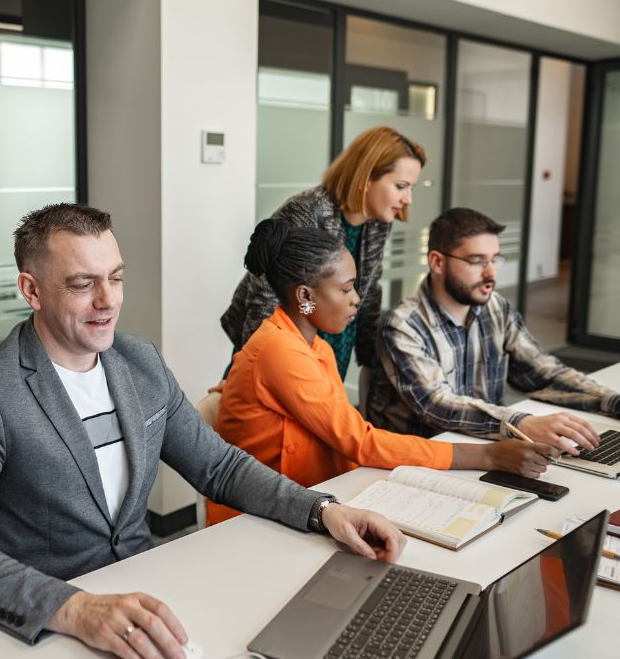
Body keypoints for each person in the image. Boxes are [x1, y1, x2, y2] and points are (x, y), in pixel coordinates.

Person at [0, 203, 406, 659]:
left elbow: (219, 467)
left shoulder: (140, 363)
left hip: (141, 602)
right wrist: (76, 609)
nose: (108, 300)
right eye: (83, 284)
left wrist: (323, 511)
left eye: (116, 277)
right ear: (32, 289)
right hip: (40, 624)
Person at [205, 220, 551, 525]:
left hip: (312, 498)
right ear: (305, 296)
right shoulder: (279, 350)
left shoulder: (315, 347)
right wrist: (488, 455)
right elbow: (360, 441)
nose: (356, 299)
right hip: (259, 519)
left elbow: (346, 437)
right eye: (345, 289)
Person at [369, 207, 618, 453]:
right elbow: (437, 405)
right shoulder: (402, 325)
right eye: (477, 261)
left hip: (489, 448)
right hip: (422, 460)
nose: (490, 273)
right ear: (437, 262)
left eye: (494, 259)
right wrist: (522, 424)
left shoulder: (495, 307)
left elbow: (542, 372)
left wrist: (612, 401)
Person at [222, 126, 424, 383]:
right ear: (365, 178)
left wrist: (373, 360)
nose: (408, 199)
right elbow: (265, 295)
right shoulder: (306, 212)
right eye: (401, 186)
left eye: (411, 189)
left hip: (333, 335)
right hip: (283, 342)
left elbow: (370, 288)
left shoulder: (378, 221)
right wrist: (255, 362)